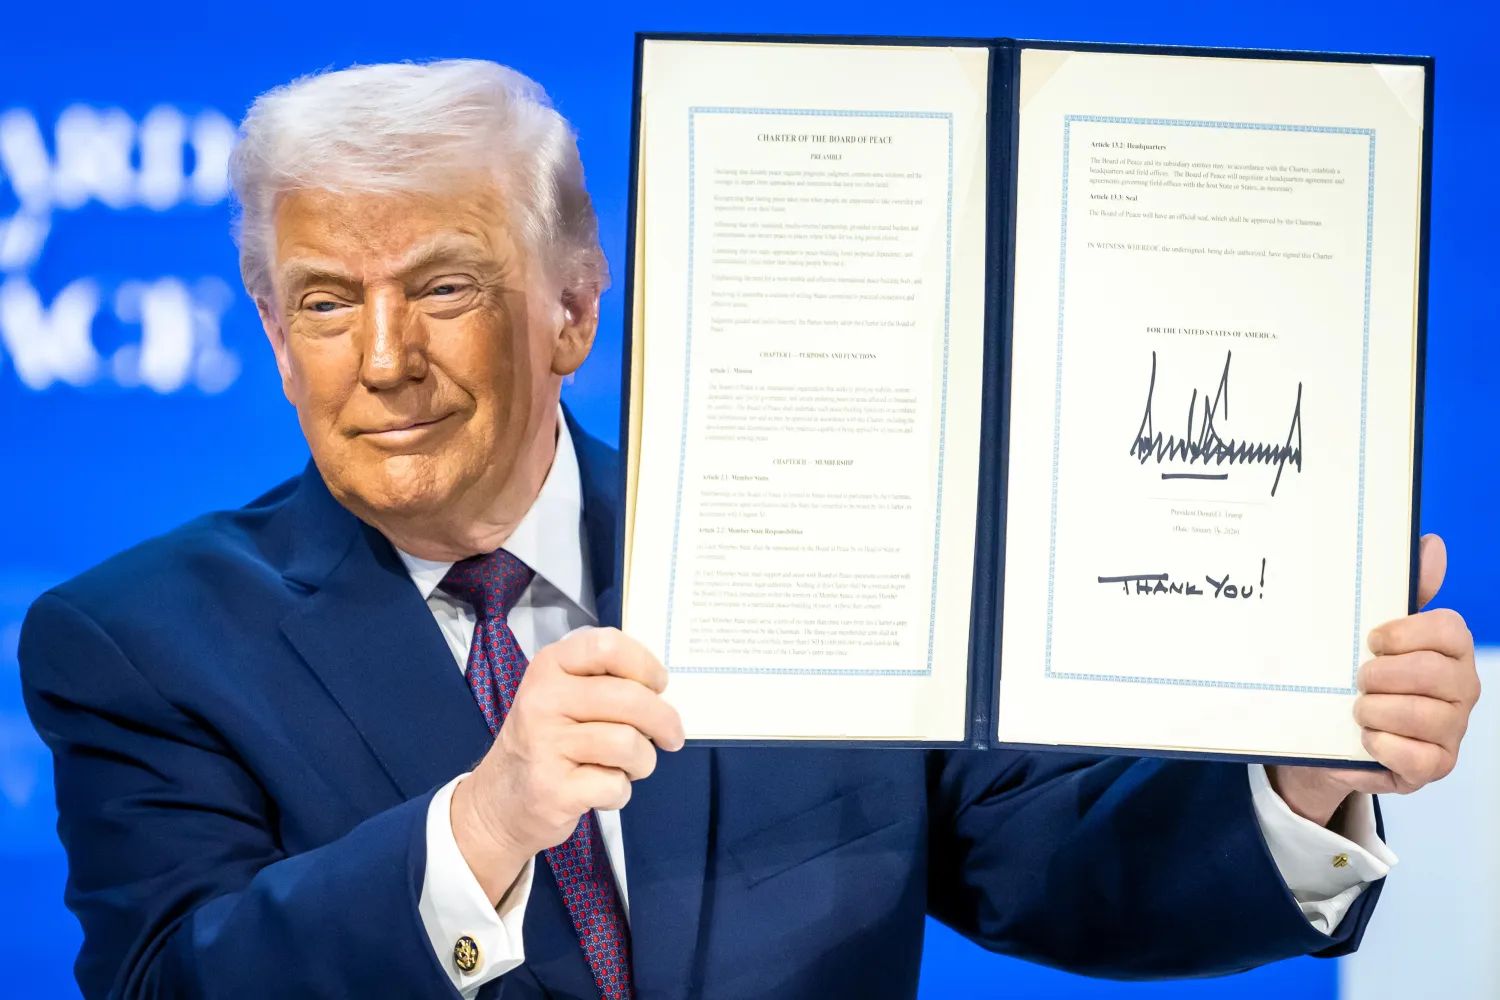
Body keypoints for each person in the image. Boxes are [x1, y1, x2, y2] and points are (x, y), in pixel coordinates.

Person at [20, 60, 1479, 1000]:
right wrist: (485, 825)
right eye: (327, 301)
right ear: (275, 333)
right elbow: (170, 980)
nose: (384, 358)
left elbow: (1041, 861)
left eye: (446, 287)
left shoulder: (818, 537)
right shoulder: (136, 642)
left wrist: (1301, 776)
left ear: (573, 309)